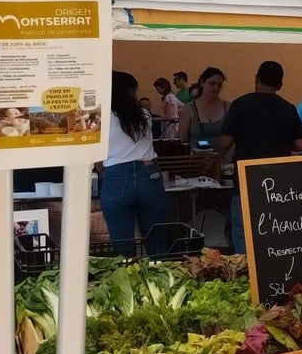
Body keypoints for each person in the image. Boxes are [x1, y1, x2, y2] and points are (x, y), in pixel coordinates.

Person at [219, 62, 302, 254]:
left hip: (245, 179)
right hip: (278, 181)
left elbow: (225, 141)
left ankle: (246, 273)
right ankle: (273, 271)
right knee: (275, 231)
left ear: (256, 79)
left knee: (242, 231)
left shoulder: (240, 104)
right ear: (280, 85)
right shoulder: (288, 108)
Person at [97, 71, 168, 258]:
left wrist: (109, 173)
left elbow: (96, 158)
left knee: (123, 247)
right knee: (157, 242)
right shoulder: (144, 115)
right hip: (149, 173)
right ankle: (161, 277)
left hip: (116, 175)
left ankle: (128, 280)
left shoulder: (101, 117)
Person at [177, 67, 231, 150]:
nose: (216, 88)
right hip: (196, 159)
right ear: (202, 83)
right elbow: (182, 140)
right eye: (212, 84)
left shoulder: (228, 108)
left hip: (222, 159)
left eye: (219, 85)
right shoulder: (189, 109)